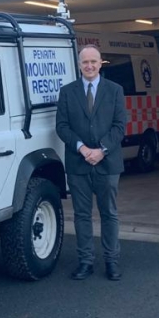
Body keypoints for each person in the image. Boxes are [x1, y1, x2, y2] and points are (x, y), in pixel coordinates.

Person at [56, 44, 127, 281]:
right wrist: (83, 148)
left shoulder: (115, 90)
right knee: (82, 215)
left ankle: (111, 261)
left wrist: (102, 150)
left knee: (109, 214)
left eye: (93, 61)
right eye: (85, 62)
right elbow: (62, 126)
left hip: (107, 164)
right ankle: (85, 261)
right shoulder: (67, 92)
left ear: (100, 63)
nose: (89, 66)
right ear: (79, 65)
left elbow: (119, 126)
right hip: (78, 163)